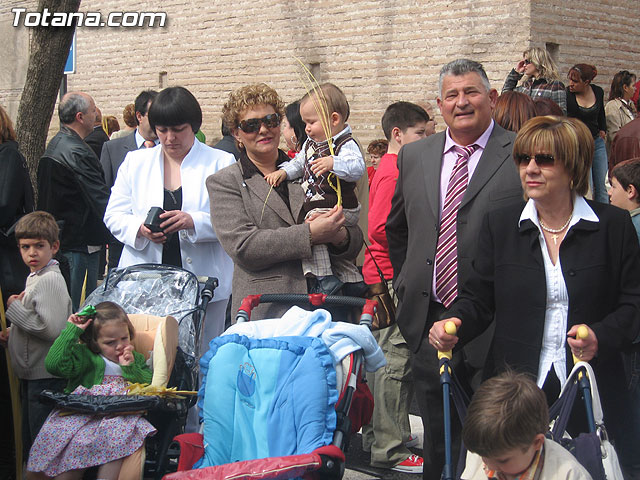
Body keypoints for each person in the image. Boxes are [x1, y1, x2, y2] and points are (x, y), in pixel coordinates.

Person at [429, 115, 640, 478]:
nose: (530, 169)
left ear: (573, 168)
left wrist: (600, 336)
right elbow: (478, 298)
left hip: (592, 387)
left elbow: (634, 304)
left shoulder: (614, 227)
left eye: (544, 160)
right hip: (516, 390)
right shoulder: (501, 224)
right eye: (523, 159)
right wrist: (455, 323)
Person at [386, 59, 522, 480]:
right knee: (437, 438)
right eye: (451, 95)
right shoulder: (415, 155)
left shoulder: (520, 152)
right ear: (440, 105)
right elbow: (399, 229)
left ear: (492, 98)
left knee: (494, 439)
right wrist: (410, 285)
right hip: (428, 320)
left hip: (495, 324)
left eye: (471, 92)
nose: (461, 102)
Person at [207, 83, 364, 320]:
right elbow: (244, 247)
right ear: (236, 133)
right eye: (251, 125)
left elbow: (356, 237)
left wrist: (339, 236)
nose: (263, 130)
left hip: (330, 307)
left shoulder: (311, 166)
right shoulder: (226, 182)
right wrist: (310, 234)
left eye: (270, 121)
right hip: (270, 310)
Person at [104, 86, 234, 346]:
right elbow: (113, 215)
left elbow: (232, 219)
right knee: (149, 351)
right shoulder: (135, 162)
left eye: (178, 130)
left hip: (203, 278)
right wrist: (140, 229)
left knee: (202, 352)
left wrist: (193, 221)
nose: (170, 138)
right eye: (162, 130)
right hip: (146, 280)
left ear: (194, 126)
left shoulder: (221, 162)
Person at [361, 101, 429, 473]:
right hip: (389, 275)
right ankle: (389, 448)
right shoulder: (393, 170)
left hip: (386, 274)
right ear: (397, 135)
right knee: (393, 362)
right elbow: (378, 230)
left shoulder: (395, 167)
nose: (426, 140)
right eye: (420, 134)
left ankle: (384, 434)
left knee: (384, 361)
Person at [27, 302, 156, 479]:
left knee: (118, 437)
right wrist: (72, 331)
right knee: (72, 445)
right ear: (94, 342)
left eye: (124, 338)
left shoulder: (135, 358)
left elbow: (149, 383)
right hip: (81, 413)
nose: (119, 346)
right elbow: (54, 365)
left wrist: (130, 368)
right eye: (110, 342)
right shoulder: (86, 356)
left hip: (117, 415)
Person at [265, 83, 365, 295]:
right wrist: (283, 173)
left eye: (311, 122)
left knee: (311, 227)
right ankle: (351, 278)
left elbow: (357, 168)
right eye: (305, 123)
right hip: (322, 205)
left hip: (341, 206)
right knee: (324, 236)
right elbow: (299, 164)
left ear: (334, 120)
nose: (307, 128)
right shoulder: (311, 143)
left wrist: (334, 163)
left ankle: (322, 276)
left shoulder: (345, 144)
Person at [0, 212, 70, 457]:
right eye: (25, 247)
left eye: (39, 246)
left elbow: (50, 328)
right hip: (34, 375)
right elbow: (35, 319)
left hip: (44, 377)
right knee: (32, 441)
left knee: (40, 445)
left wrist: (14, 310)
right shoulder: (36, 277)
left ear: (54, 247)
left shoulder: (49, 280)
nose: (32, 253)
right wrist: (13, 332)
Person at [37, 91, 111, 311]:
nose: (96, 115)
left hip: (66, 237)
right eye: (92, 110)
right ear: (80, 117)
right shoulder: (76, 151)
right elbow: (99, 198)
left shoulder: (59, 143)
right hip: (78, 242)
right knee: (80, 310)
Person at [461, 372, 592, 480]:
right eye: (483, 457)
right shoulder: (484, 448)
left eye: (503, 461)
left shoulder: (569, 474)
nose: (490, 467)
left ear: (536, 443)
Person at [100, 90, 158, 271]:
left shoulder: (170, 150)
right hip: (124, 242)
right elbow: (105, 193)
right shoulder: (113, 148)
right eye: (154, 115)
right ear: (139, 116)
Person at [566, 64, 608, 204]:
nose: (571, 84)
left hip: (597, 142)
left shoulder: (598, 92)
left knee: (602, 186)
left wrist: (603, 129)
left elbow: (601, 113)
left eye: (575, 81)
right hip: (579, 144)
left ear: (586, 82)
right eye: (570, 80)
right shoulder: (567, 95)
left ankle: (605, 219)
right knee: (587, 186)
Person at [502, 47, 567, 115]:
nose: (524, 65)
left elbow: (561, 114)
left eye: (527, 62)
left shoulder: (554, 85)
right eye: (524, 62)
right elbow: (505, 97)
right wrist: (516, 72)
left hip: (542, 124)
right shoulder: (526, 85)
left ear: (537, 61)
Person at [605, 70, 637, 153]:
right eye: (633, 86)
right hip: (621, 154)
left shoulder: (631, 105)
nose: (635, 89)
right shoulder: (612, 106)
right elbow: (614, 136)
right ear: (625, 87)